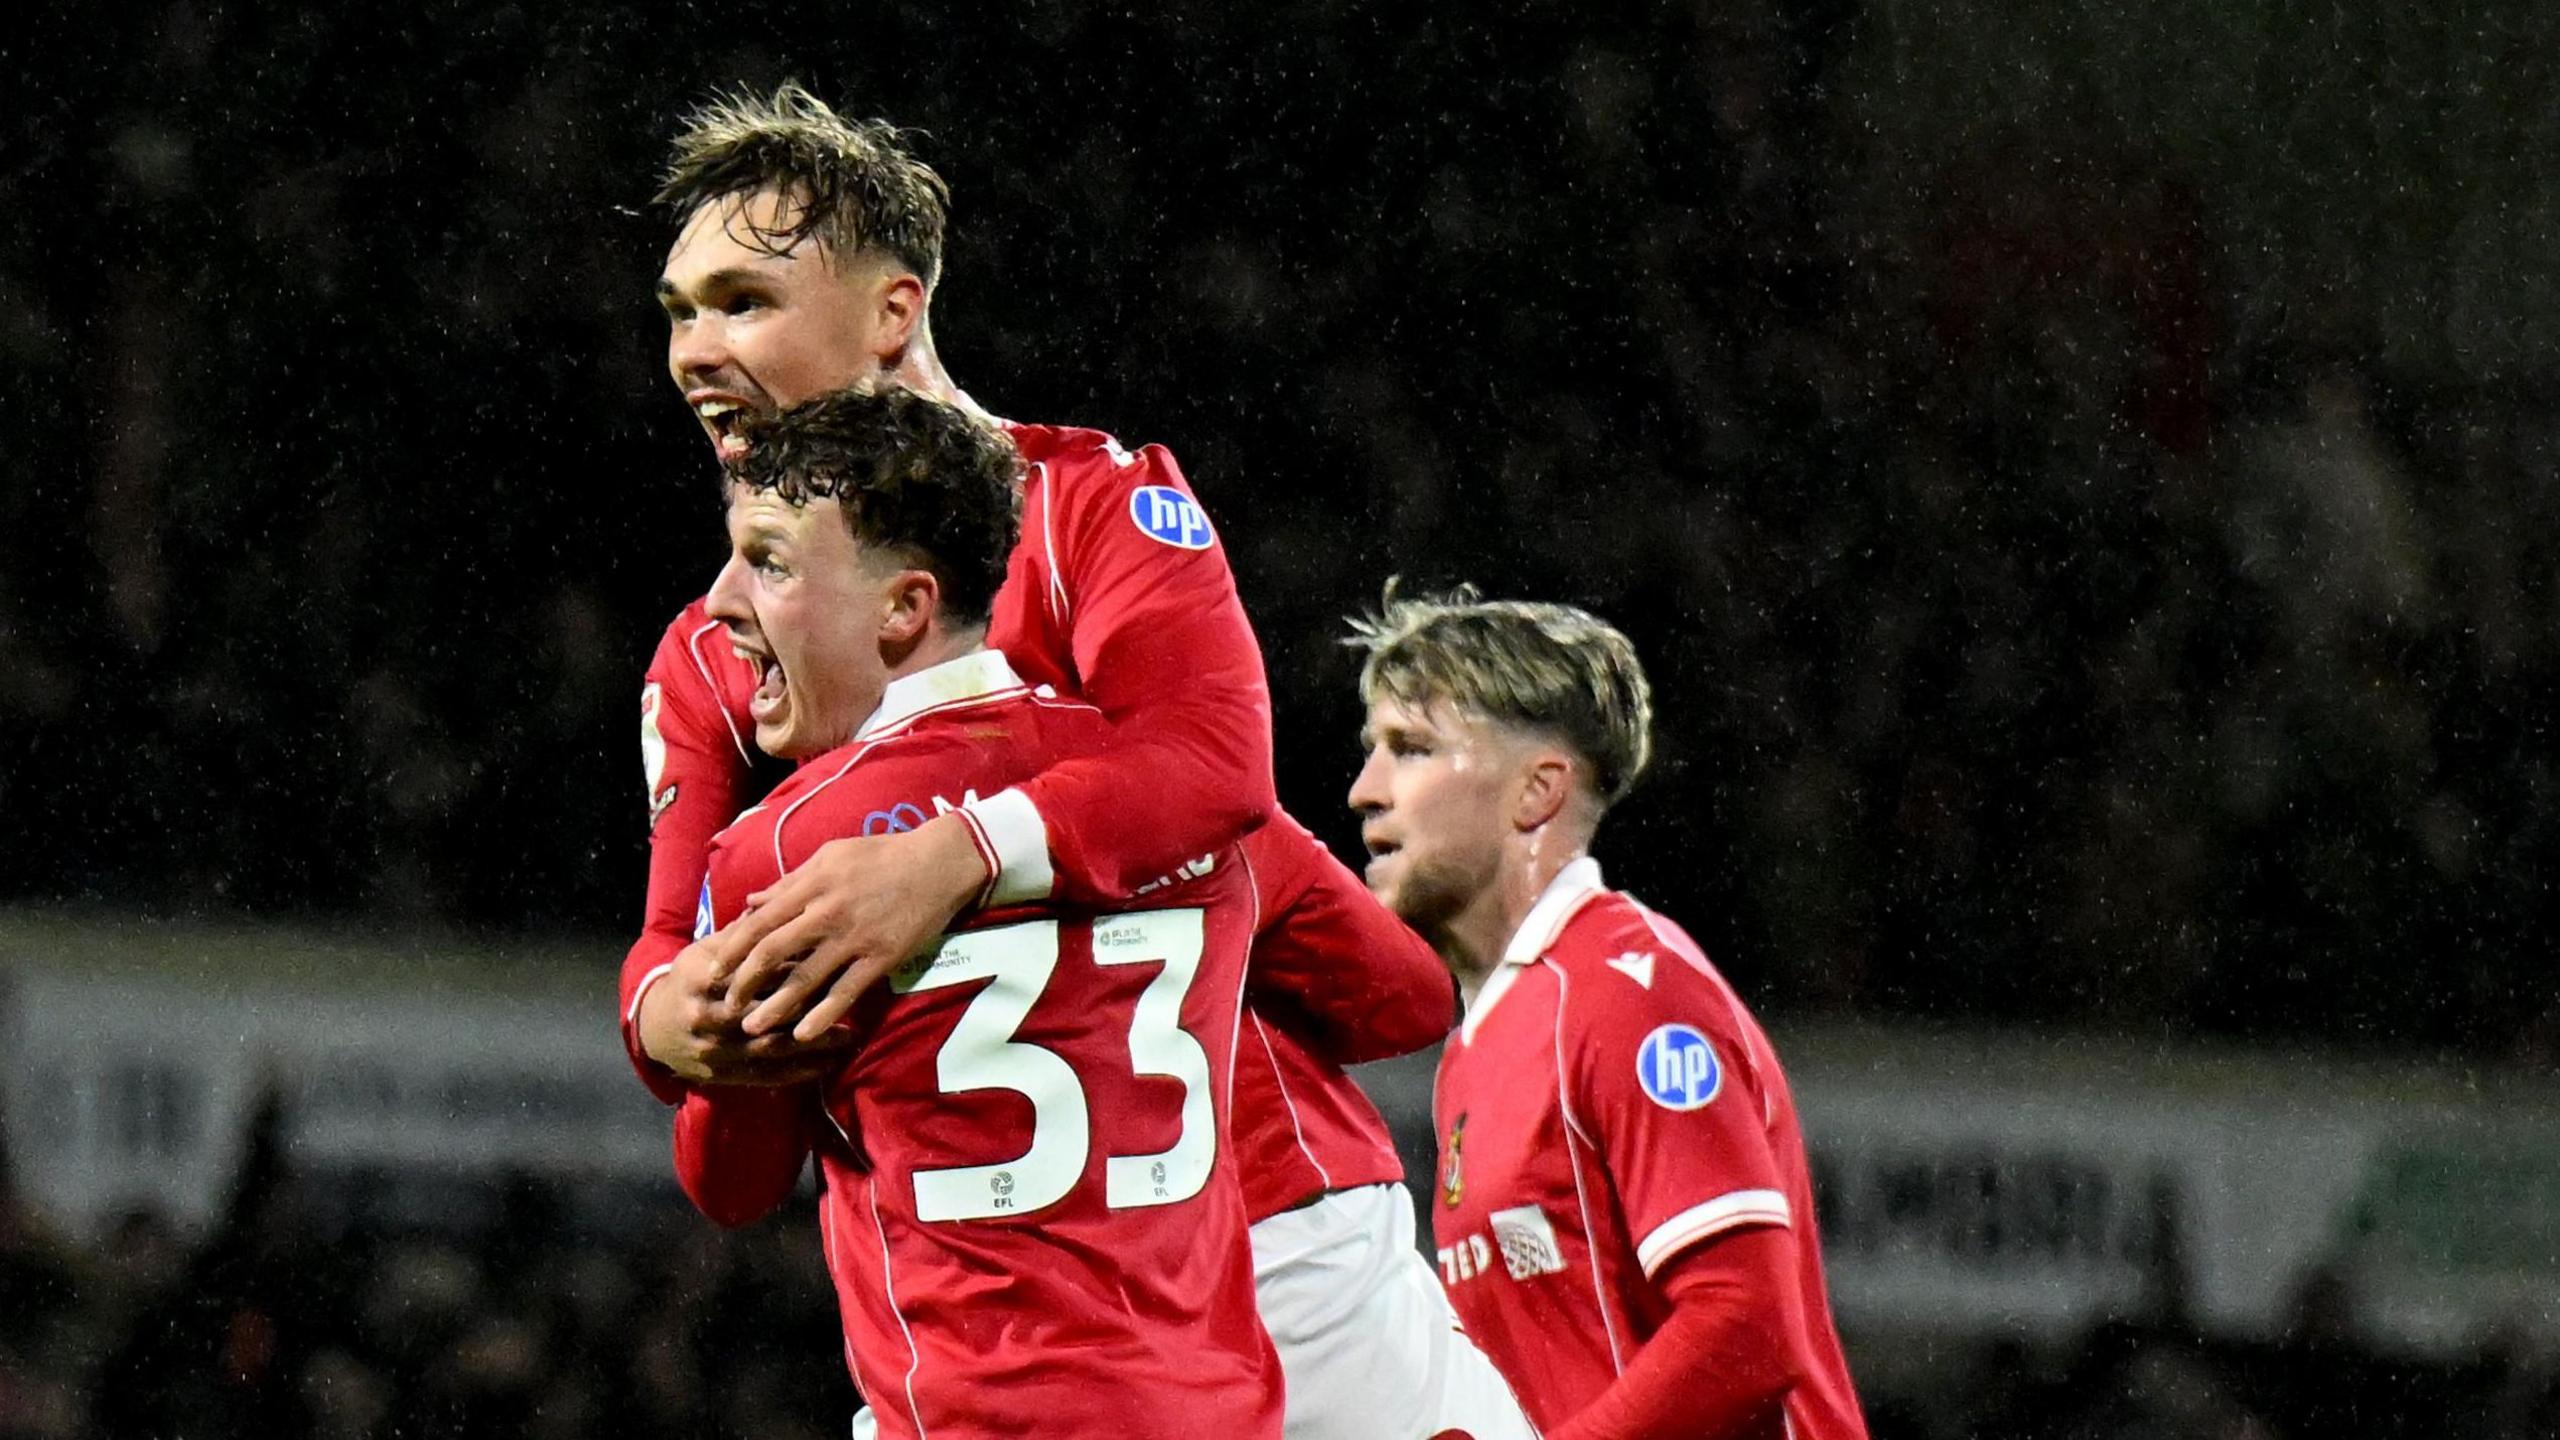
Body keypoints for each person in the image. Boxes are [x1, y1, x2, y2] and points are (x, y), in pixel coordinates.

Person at [618, 87, 1526, 1439]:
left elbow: (1218, 770)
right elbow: (671, 982)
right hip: (981, 1299)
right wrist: (674, 1023)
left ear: (892, 313)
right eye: (680, 309)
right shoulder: (714, 656)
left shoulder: (1093, 506)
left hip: (1258, 1234)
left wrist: (941, 864)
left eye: (742, 300)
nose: (697, 348)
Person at [669, 387, 1279, 1437]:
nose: (721, 602)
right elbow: (1403, 996)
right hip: (1215, 1410)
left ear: (904, 608)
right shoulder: (1175, 810)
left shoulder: (787, 846)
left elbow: (731, 1181)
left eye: (766, 560)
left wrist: (688, 1022)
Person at [1344, 587, 1871, 1440]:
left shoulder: (1627, 995)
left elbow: (1745, 1329)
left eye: (1411, 749)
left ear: (1537, 793)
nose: (1366, 790)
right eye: (1372, 750)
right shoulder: (1477, 1050)